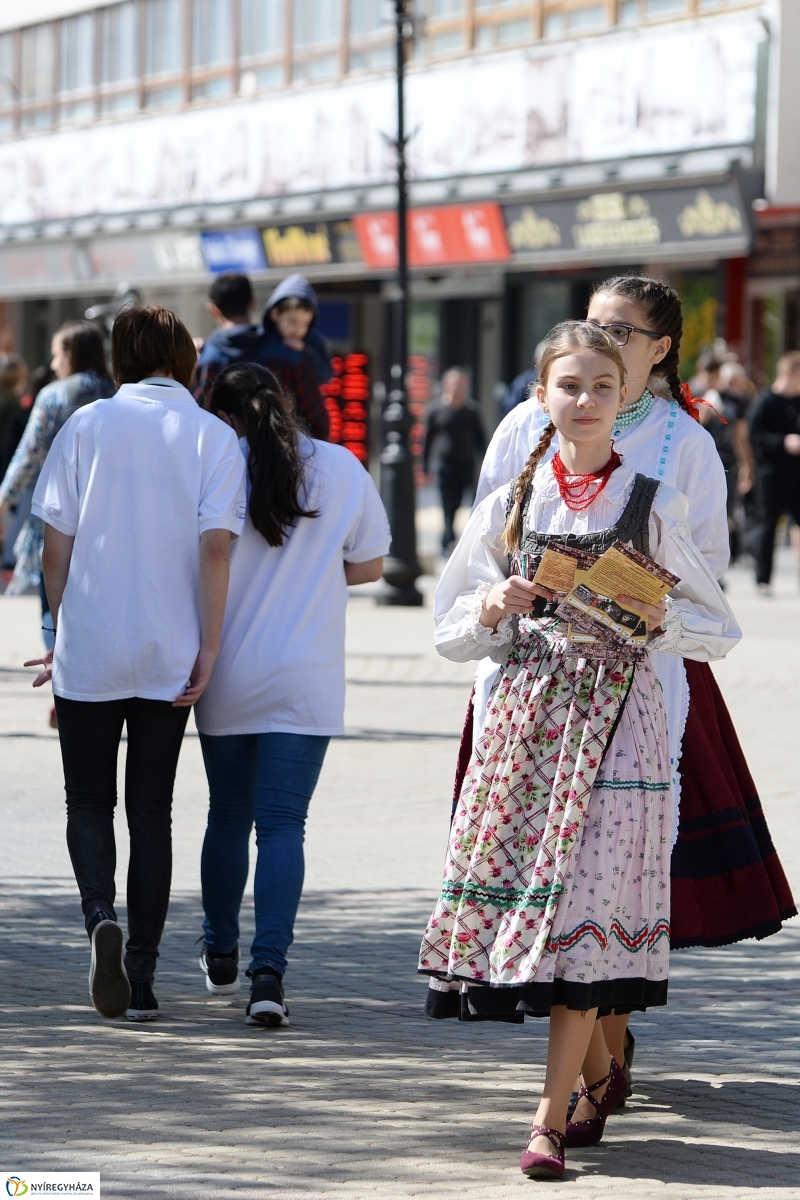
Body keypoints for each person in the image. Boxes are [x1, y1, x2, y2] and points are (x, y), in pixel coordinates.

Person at [454, 274, 795, 1093]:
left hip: (642, 683)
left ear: (659, 350)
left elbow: (706, 573)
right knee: (537, 866)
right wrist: (498, 607)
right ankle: (594, 1067)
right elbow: (483, 553)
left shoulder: (685, 445)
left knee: (615, 868)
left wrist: (637, 596)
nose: (599, 345)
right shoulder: (522, 429)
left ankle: (605, 1045)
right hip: (530, 688)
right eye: (590, 327)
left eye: (620, 334)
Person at [420, 321, 739, 1180]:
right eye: (570, 385)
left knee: (586, 914)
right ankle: (597, 1077)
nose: (587, 400)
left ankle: (547, 1120)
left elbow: (718, 627)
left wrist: (655, 617)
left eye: (603, 386)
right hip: (526, 729)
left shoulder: (651, 500)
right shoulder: (511, 504)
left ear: (625, 394)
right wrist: (493, 607)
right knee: (549, 914)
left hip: (620, 725)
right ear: (541, 397)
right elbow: (448, 629)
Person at [25, 305, 246, 1024]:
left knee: (87, 800)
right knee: (152, 808)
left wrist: (60, 625)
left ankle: (100, 918)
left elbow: (55, 543)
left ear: (120, 356)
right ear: (185, 359)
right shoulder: (213, 435)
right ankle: (144, 978)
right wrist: (209, 646)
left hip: (90, 640)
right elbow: (217, 549)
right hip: (171, 645)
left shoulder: (85, 425)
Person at [194, 362, 390, 1026]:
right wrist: (313, 570)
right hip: (306, 673)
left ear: (223, 416)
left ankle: (220, 947)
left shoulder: (216, 466)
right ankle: (268, 976)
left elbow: (197, 558)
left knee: (227, 815)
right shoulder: (340, 466)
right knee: (283, 825)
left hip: (226, 668)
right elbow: (370, 564)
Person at [0, 323, 114, 600]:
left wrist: (3, 501)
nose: (53, 364)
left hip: (57, 517)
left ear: (71, 354)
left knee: (53, 606)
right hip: (108, 520)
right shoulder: (116, 392)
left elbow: (29, 455)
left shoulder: (54, 395)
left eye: (56, 355)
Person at [748, 350, 800, 592]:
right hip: (771, 475)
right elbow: (755, 438)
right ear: (789, 374)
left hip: (797, 474)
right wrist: (783, 442)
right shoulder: (765, 402)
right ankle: (763, 580)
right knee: (768, 526)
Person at [695, 357, 755, 562]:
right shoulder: (693, 396)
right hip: (700, 463)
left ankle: (720, 564)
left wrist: (746, 464)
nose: (711, 380)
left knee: (723, 513)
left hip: (726, 463)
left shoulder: (733, 400)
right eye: (707, 376)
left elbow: (740, 435)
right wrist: (705, 412)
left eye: (715, 376)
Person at [423, 368, 486, 554]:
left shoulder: (471, 412)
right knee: (448, 505)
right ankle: (447, 542)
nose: (458, 388)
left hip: (466, 465)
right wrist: (425, 466)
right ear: (446, 385)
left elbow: (481, 440)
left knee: (468, 504)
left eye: (461, 384)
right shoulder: (435, 410)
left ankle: (467, 543)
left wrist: (483, 463)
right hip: (444, 466)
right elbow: (426, 440)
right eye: (454, 384)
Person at [262, 274, 332, 441]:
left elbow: (326, 375)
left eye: (305, 323)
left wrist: (306, 351)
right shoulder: (261, 341)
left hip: (302, 426)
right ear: (275, 314)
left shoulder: (314, 343)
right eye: (292, 321)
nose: (298, 328)